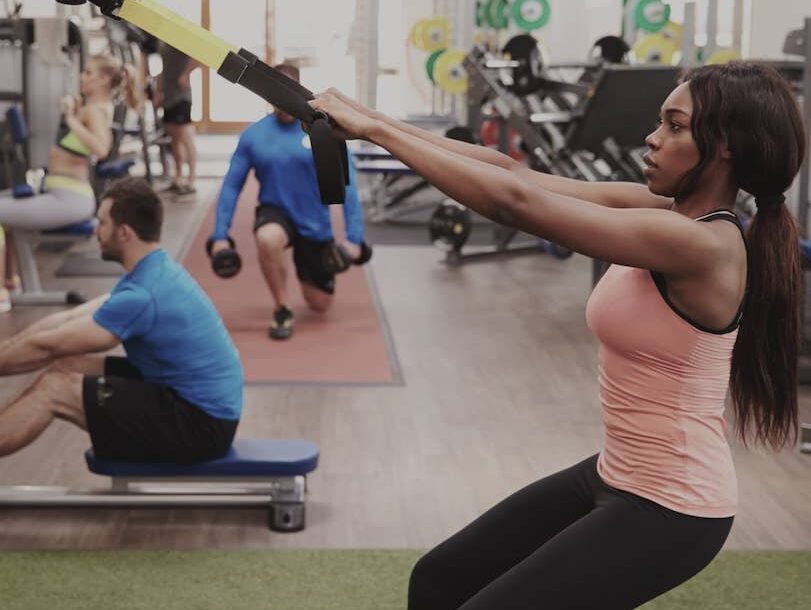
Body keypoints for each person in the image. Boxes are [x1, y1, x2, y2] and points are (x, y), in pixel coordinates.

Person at [310, 61, 805, 608]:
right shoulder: (664, 212)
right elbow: (514, 174)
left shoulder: (702, 245)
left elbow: (512, 204)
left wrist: (374, 133)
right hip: (616, 474)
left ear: (727, 146)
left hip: (674, 507)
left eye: (675, 126)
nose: (653, 136)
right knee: (439, 580)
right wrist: (369, 117)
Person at [0, 178, 243, 463]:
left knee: (54, 390)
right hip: (185, 397)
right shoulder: (152, 271)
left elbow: (49, 346)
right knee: (68, 366)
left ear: (124, 233)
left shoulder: (143, 294)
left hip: (199, 424)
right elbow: (64, 321)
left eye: (102, 223)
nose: (96, 230)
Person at [209, 63, 366, 341]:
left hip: (314, 222)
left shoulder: (320, 131)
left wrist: (354, 239)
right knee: (268, 239)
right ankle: (282, 306)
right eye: (274, 94)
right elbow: (232, 186)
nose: (281, 101)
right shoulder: (254, 135)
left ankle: (299, 271)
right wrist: (220, 235)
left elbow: (349, 184)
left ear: (298, 92)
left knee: (319, 305)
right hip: (275, 212)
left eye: (286, 93)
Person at [0, 54, 138, 312]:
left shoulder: (95, 112)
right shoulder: (91, 109)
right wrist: (74, 112)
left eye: (87, 73)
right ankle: (11, 284)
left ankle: (2, 294)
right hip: (62, 194)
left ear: (104, 79)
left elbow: (101, 148)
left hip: (69, 199)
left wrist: (73, 120)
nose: (82, 78)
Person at [156, 41, 200, 198]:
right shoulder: (163, 43)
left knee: (186, 137)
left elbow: (199, 57)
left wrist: (186, 74)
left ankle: (191, 180)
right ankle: (178, 178)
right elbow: (164, 69)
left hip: (182, 96)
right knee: (174, 139)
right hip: (168, 96)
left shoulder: (180, 39)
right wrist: (158, 92)